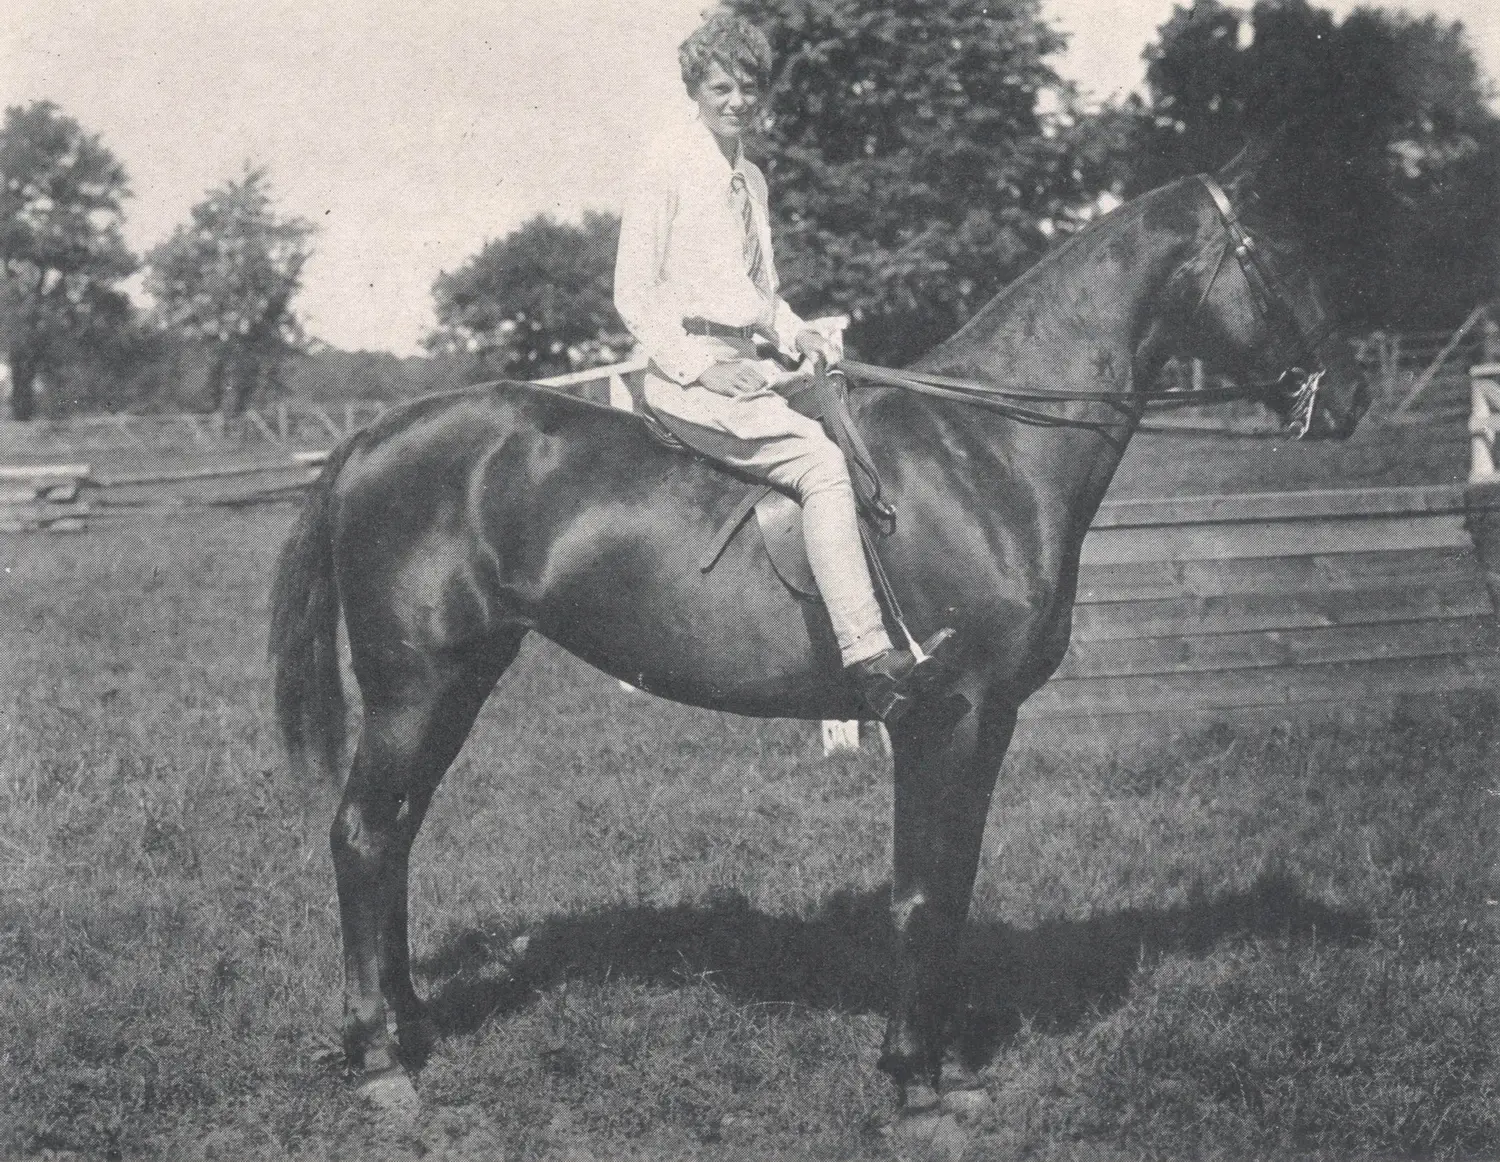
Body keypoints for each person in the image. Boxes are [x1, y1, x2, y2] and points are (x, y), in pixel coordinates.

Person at [613, 9, 953, 722]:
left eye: (749, 89)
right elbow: (633, 294)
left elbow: (761, 297)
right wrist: (700, 370)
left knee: (858, 435)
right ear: (695, 89)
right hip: (689, 376)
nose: (737, 101)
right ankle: (865, 657)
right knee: (821, 465)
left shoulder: (752, 181)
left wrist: (803, 336)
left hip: (750, 365)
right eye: (722, 87)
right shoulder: (665, 166)